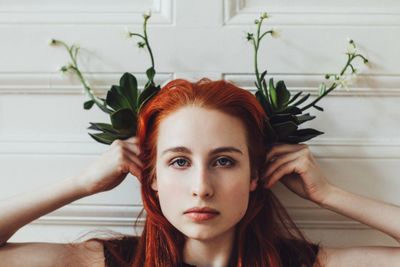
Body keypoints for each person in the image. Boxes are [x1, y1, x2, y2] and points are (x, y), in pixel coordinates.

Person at [0, 78, 399, 267]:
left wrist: (327, 194)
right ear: (150, 175)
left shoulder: (303, 264)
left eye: (224, 161)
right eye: (179, 161)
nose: (201, 188)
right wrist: (82, 183)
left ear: (256, 174)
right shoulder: (108, 262)